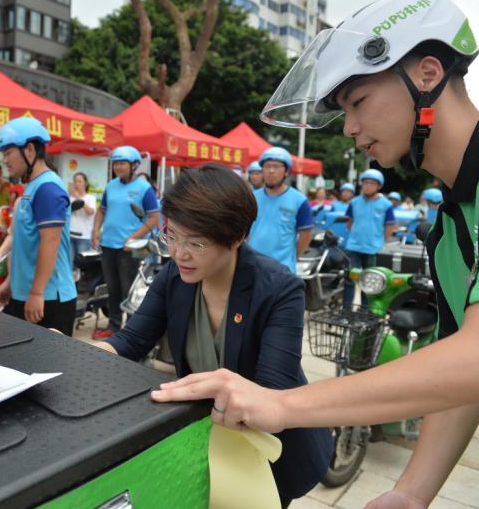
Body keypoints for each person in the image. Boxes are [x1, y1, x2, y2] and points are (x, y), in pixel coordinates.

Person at [151, 0, 479, 507]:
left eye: (358, 103)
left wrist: (284, 405)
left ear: (428, 75)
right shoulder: (449, 222)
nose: (352, 130)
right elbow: (461, 375)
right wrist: (411, 491)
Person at [95, 164, 332, 506]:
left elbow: (271, 392)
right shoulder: (173, 278)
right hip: (206, 442)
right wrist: (77, 354)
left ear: (237, 238)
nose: (179, 253)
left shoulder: (280, 289)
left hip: (268, 453)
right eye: (171, 235)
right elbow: (130, 342)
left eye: (197, 243)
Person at [0, 117, 77, 336]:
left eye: (8, 153)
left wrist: (37, 293)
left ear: (29, 149)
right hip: (27, 294)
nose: (5, 160)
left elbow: (50, 242)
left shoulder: (48, 188)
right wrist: (11, 284)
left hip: (48, 299)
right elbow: (24, 243)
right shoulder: (32, 187)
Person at [91, 146, 160, 339]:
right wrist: (96, 230)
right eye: (115, 163)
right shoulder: (111, 185)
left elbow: (153, 218)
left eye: (122, 163)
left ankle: (131, 331)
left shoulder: (144, 189)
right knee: (113, 289)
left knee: (130, 291)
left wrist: (134, 237)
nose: (117, 167)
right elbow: (101, 211)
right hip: (108, 245)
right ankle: (113, 327)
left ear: (134, 165)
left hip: (131, 249)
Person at [248, 147, 313, 274]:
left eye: (277, 166)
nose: (271, 171)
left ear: (286, 171)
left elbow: (306, 235)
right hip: (252, 266)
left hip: (283, 270)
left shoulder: (299, 200)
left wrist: (293, 258)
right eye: (267, 166)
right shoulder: (251, 197)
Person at [342, 169, 396, 309]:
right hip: (354, 246)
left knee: (371, 281)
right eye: (365, 183)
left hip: (373, 248)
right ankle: (346, 311)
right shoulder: (354, 202)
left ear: (378, 186)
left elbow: (389, 227)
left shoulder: (386, 204)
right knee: (349, 280)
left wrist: (381, 241)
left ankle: (366, 312)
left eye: (371, 183)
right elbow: (349, 222)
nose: (367, 186)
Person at [69, 172, 96, 263]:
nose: (77, 184)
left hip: (84, 236)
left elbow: (90, 212)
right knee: (70, 263)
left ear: (85, 183)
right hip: (70, 234)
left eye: (80, 181)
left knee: (83, 264)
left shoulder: (90, 198)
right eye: (75, 181)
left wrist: (79, 199)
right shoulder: (69, 197)